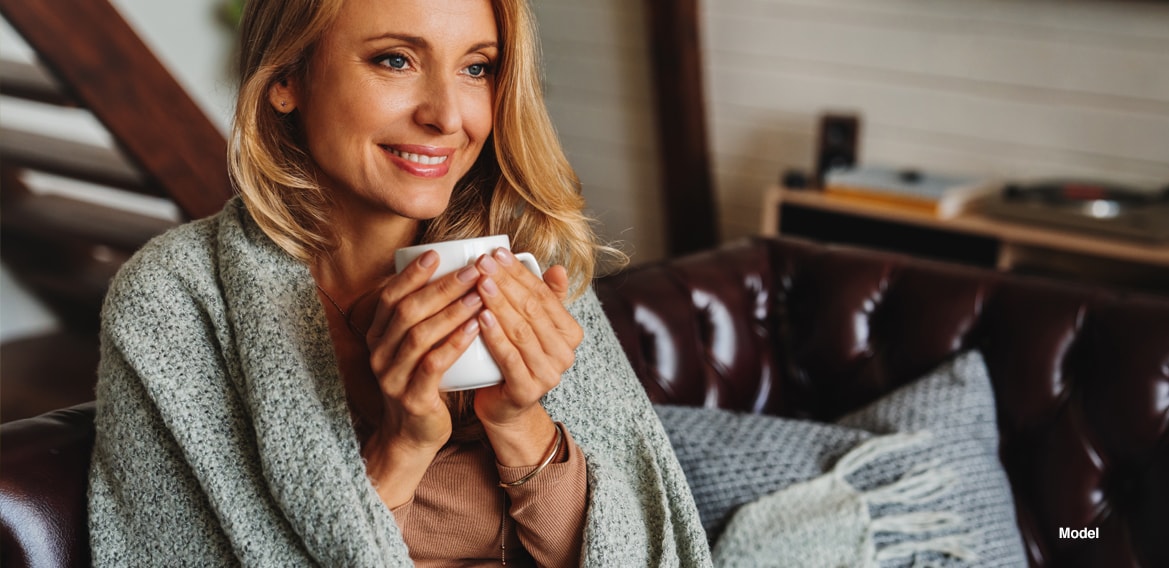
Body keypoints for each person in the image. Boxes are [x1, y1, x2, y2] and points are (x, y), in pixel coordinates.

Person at [87, 0, 713, 566]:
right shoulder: (177, 301)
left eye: (476, 68)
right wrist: (403, 446)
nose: (447, 116)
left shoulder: (528, 255)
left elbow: (643, 549)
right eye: (395, 60)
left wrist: (520, 424)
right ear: (285, 79)